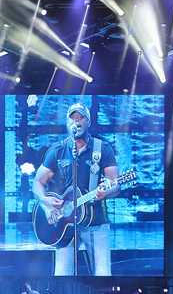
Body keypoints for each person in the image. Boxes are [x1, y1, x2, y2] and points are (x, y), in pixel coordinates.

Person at [33, 102, 119, 276]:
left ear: (88, 122)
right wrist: (46, 204)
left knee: (103, 274)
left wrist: (106, 192)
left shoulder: (102, 149)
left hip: (95, 222)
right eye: (72, 119)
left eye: (81, 118)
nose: (76, 122)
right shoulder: (57, 150)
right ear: (67, 123)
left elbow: (115, 184)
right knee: (62, 275)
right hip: (64, 225)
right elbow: (37, 184)